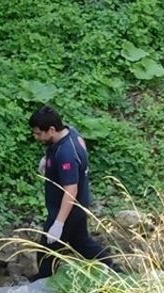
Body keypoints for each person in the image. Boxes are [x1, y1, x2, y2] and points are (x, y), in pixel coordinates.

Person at [29, 106, 118, 279]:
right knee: (81, 242)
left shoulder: (65, 154)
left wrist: (58, 224)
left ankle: (43, 282)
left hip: (67, 208)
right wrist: (48, 161)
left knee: (48, 249)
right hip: (80, 203)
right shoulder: (71, 133)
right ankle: (112, 268)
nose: (36, 137)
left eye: (39, 133)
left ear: (52, 129)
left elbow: (71, 189)